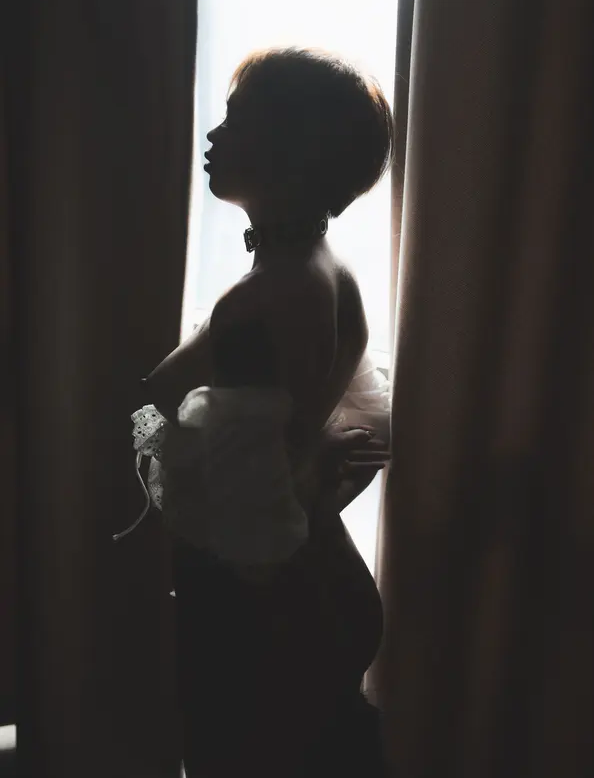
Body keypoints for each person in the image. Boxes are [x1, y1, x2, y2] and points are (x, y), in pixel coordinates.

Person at [142, 47, 394, 777]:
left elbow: (165, 424)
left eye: (236, 119)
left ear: (293, 153)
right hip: (315, 589)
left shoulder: (269, 297)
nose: (213, 135)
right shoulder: (322, 269)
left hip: (270, 611)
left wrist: (142, 423)